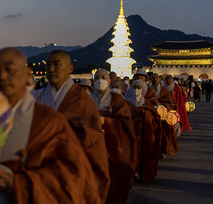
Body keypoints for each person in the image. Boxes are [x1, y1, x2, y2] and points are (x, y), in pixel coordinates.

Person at [0, 48, 101, 204]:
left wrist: (18, 183)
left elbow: (70, 175)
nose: (2, 76)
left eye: (10, 69)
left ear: (27, 74)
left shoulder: (49, 121)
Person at [34, 50, 109, 203]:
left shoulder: (82, 101)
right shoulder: (37, 97)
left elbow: (92, 143)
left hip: (71, 172)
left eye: (56, 65)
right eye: (48, 65)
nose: (51, 69)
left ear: (70, 68)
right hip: (39, 173)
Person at [91, 69, 136, 204]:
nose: (100, 80)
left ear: (109, 81)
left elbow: (125, 125)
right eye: (97, 77)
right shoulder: (86, 99)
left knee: (113, 183)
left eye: (103, 77)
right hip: (91, 147)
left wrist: (107, 122)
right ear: (93, 81)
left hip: (112, 147)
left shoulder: (117, 100)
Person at [126, 79, 162, 183]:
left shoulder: (146, 103)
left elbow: (154, 116)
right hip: (132, 132)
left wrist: (146, 115)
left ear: (143, 90)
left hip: (144, 132)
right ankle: (133, 172)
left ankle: (143, 173)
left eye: (139, 88)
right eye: (135, 88)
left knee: (145, 152)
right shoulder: (127, 102)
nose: (136, 90)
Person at [151, 73, 178, 156]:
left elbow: (171, 103)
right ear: (150, 80)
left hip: (163, 116)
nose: (155, 79)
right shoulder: (148, 90)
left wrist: (163, 106)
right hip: (152, 116)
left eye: (157, 78)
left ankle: (163, 150)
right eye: (153, 78)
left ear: (159, 79)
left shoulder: (164, 91)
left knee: (164, 134)